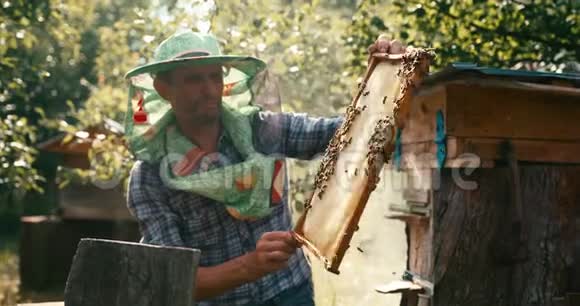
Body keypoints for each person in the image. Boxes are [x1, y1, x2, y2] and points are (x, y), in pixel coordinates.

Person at [124, 30, 405, 306]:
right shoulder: (149, 177)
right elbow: (174, 279)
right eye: (194, 80)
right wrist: (251, 265)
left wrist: (380, 81)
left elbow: (345, 132)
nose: (209, 89)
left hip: (291, 292)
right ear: (164, 89)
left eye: (214, 76)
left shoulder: (261, 129)